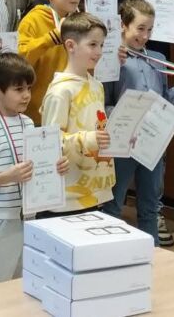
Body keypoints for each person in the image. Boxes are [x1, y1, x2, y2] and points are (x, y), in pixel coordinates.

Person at [100, 0, 174, 244]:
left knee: (150, 207)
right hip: (122, 143)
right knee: (113, 204)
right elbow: (102, 104)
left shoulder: (158, 59)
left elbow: (164, 100)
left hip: (152, 143)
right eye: (140, 28)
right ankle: (108, 255)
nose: (145, 35)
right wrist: (127, 115)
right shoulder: (112, 59)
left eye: (150, 29)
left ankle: (152, 256)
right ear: (123, 25)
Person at [0, 52, 70, 286]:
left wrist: (56, 168)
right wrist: (5, 177)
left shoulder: (28, 123)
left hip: (28, 216)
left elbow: (34, 167)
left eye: (28, 88)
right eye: (18, 89)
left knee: (23, 284)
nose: (26, 95)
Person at [39, 12, 115, 216]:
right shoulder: (60, 90)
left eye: (102, 45)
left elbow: (98, 126)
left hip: (93, 189)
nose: (99, 52)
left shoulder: (97, 85)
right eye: (92, 45)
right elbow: (49, 141)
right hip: (65, 196)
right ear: (71, 45)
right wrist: (90, 139)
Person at [17, 0, 84, 120]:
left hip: (71, 108)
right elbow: (19, 60)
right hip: (38, 113)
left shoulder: (78, 21)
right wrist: (51, 38)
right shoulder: (33, 20)